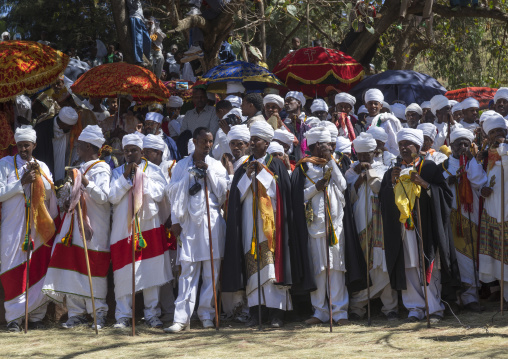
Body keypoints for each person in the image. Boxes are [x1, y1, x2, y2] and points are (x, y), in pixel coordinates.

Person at [222, 121, 311, 328]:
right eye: (251, 140)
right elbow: (237, 195)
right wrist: (249, 175)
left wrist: (262, 173)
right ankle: (256, 312)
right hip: (248, 222)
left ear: (267, 142)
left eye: (256, 140)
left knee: (272, 268)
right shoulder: (244, 165)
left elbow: (280, 194)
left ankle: (277, 313)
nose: (252, 144)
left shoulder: (276, 164)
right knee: (252, 266)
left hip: (273, 224)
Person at [379, 128, 461, 323]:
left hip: (426, 227)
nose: (404, 148)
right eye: (400, 145)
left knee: (427, 264)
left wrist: (424, 183)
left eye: (408, 144)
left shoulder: (429, 167)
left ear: (417, 146)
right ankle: (414, 308)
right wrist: (391, 184)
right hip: (403, 229)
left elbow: (446, 196)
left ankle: (434, 308)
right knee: (409, 266)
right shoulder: (393, 171)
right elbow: (383, 200)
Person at [43, 125, 111, 330]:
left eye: (80, 146)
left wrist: (86, 182)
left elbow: (104, 198)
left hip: (94, 228)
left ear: (89, 147)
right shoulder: (77, 168)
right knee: (72, 267)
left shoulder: (102, 168)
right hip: (73, 227)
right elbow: (68, 198)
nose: (77, 149)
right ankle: (76, 313)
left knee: (93, 267)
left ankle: (98, 312)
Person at [165, 127, 229, 332]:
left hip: (211, 222)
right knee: (187, 271)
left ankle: (207, 314)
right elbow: (172, 193)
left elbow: (222, 193)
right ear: (194, 141)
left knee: (212, 272)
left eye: (210, 142)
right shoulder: (182, 165)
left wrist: (208, 173)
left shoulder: (216, 165)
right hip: (188, 224)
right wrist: (189, 177)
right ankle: (181, 319)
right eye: (204, 141)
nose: (208, 145)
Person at [108, 134, 172, 329]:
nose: (129, 154)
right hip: (123, 228)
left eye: (133, 150)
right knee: (123, 272)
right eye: (126, 151)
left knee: (150, 271)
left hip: (148, 226)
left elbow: (160, 193)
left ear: (141, 152)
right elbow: (111, 196)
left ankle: (152, 314)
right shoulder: (118, 172)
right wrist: (127, 178)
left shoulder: (153, 170)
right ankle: (123, 315)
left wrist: (140, 179)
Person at [0, 126, 58, 332]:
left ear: (34, 145)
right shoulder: (5, 164)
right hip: (13, 226)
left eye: (27, 145)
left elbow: (50, 195)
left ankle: (35, 316)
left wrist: (40, 178)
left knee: (38, 266)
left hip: (37, 226)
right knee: (12, 266)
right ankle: (14, 318)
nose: (23, 149)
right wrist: (20, 183)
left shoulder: (41, 165)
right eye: (20, 145)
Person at [291, 125, 351, 325]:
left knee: (336, 267)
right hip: (314, 224)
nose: (330, 148)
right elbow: (296, 197)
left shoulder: (334, 163)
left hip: (335, 224)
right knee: (319, 268)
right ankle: (320, 311)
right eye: (326, 145)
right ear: (317, 145)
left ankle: (340, 312)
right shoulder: (303, 167)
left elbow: (343, 186)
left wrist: (331, 162)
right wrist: (315, 189)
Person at [346, 133, 398, 321]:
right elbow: (348, 197)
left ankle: (390, 307)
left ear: (374, 152)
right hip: (360, 222)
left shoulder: (384, 169)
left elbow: (380, 190)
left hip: (380, 222)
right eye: (359, 155)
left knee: (381, 262)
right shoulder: (350, 172)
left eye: (366, 155)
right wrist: (359, 179)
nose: (362, 159)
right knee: (363, 262)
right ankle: (358, 307)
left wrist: (370, 173)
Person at [442, 128, 487, 312]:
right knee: (456, 257)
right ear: (450, 146)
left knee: (472, 256)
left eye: (465, 144)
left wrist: (473, 165)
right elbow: (438, 187)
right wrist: (450, 182)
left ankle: (472, 297)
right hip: (453, 217)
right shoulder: (443, 166)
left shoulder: (475, 163)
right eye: (458, 144)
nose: (462, 147)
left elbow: (481, 183)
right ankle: (457, 298)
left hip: (473, 215)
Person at [478, 112, 508, 306]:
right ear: (487, 136)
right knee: (499, 257)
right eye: (493, 132)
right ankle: (505, 296)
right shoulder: (483, 156)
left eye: (501, 131)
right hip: (492, 210)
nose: (497, 135)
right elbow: (477, 181)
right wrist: (482, 190)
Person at [364, 89, 402, 156]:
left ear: (381, 106)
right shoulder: (362, 123)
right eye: (370, 103)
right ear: (366, 105)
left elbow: (395, 145)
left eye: (376, 103)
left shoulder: (388, 121)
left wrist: (390, 159)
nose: (373, 106)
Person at [52, 107, 79, 183]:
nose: (71, 128)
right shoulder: (45, 128)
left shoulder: (69, 131)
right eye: (69, 126)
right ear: (62, 123)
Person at [284, 91, 307, 161]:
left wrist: (299, 123)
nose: (286, 103)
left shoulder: (309, 121)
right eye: (285, 101)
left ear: (299, 103)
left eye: (289, 101)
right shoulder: (283, 122)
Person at [126, 0, 151, 65]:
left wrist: (146, 21)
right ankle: (138, 60)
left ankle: (146, 58)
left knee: (148, 40)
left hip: (141, 20)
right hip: (135, 17)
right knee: (138, 40)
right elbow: (135, 6)